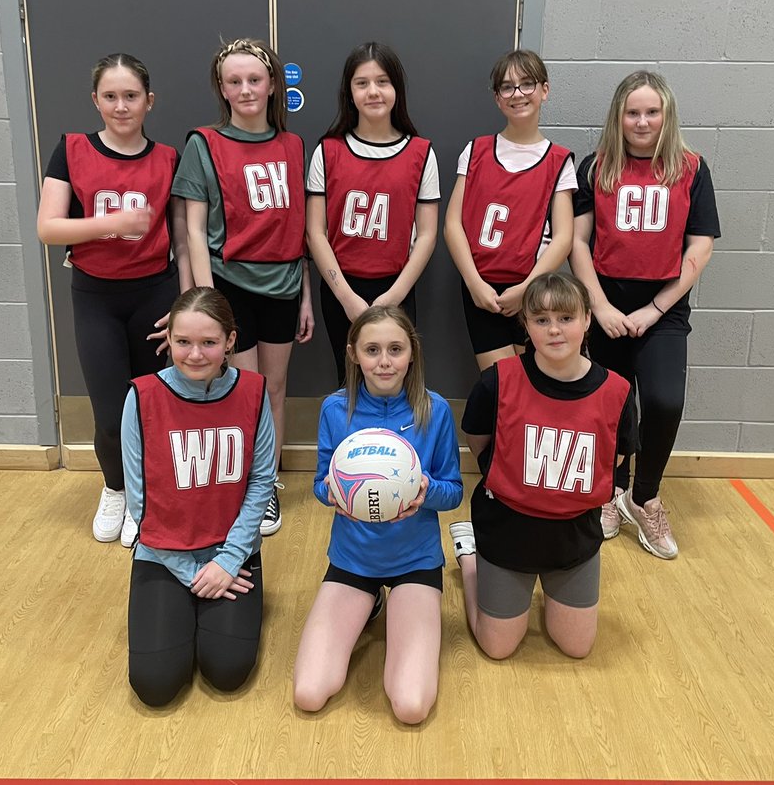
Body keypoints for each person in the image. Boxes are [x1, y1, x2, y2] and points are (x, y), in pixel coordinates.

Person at [36, 52, 189, 547]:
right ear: (95, 101)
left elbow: (182, 237)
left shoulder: (168, 158)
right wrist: (112, 224)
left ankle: (147, 498)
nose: (121, 106)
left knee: (153, 405)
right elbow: (48, 227)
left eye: (131, 96)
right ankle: (116, 489)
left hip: (155, 295)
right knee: (109, 411)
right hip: (96, 297)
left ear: (149, 101)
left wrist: (185, 303)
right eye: (110, 96)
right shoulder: (72, 149)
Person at [569, 70, 720, 560]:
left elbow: (700, 247)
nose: (641, 121)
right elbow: (578, 243)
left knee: (664, 401)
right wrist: (599, 306)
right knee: (610, 405)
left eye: (651, 112)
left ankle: (644, 495)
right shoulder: (596, 168)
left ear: (666, 115)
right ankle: (610, 490)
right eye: (632, 112)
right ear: (618, 116)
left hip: (664, 309)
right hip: (606, 306)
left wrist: (655, 310)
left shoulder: (691, 169)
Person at [449, 272, 638, 661]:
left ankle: (543, 588)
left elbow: (614, 458)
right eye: (541, 319)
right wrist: (509, 478)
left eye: (566, 318)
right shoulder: (497, 381)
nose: (554, 329)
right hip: (507, 532)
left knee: (576, 647)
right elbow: (479, 439)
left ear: (587, 319)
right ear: (526, 324)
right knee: (498, 648)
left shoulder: (617, 392)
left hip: (573, 537)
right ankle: (470, 557)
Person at [171, 38, 313, 537]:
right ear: (222, 88)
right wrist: (210, 305)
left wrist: (306, 296)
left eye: (255, 79)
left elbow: (298, 227)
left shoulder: (293, 145)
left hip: (284, 284)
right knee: (244, 390)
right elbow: (193, 230)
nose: (246, 89)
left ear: (272, 85)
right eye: (235, 81)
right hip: (231, 286)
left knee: (274, 388)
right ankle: (246, 484)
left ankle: (267, 482)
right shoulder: (204, 144)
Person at [293, 306, 462, 724]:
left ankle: (468, 564)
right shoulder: (335, 409)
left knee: (411, 706)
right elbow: (320, 484)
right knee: (309, 693)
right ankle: (368, 601)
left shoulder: (434, 409)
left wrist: (425, 491)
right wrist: (332, 492)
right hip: (354, 560)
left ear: (411, 353)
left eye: (395, 349)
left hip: (415, 562)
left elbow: (454, 492)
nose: (384, 361)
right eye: (372, 350)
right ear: (353, 354)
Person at [122, 287, 275, 706]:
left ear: (230, 341)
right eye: (183, 341)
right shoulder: (142, 397)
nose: (194, 354)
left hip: (231, 553)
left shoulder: (254, 391)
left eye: (208, 342)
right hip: (164, 553)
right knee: (155, 685)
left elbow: (261, 481)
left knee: (227, 670)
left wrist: (228, 561)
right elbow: (140, 504)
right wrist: (190, 573)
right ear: (169, 339)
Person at [306, 43, 440, 386]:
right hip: (341, 288)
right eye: (362, 83)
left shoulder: (421, 153)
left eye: (382, 81)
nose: (373, 91)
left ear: (397, 88)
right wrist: (346, 297)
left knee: (395, 382)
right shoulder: (328, 150)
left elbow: (427, 235)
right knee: (349, 381)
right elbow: (315, 232)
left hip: (396, 287)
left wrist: (393, 297)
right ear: (349, 93)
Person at [443, 49, 577, 371]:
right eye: (507, 87)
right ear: (497, 98)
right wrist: (474, 283)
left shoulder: (559, 161)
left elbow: (563, 237)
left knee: (533, 379)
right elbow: (452, 225)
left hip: (532, 287)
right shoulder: (476, 151)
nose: (517, 94)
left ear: (544, 90)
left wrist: (527, 287)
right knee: (500, 381)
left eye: (527, 84)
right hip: (482, 288)